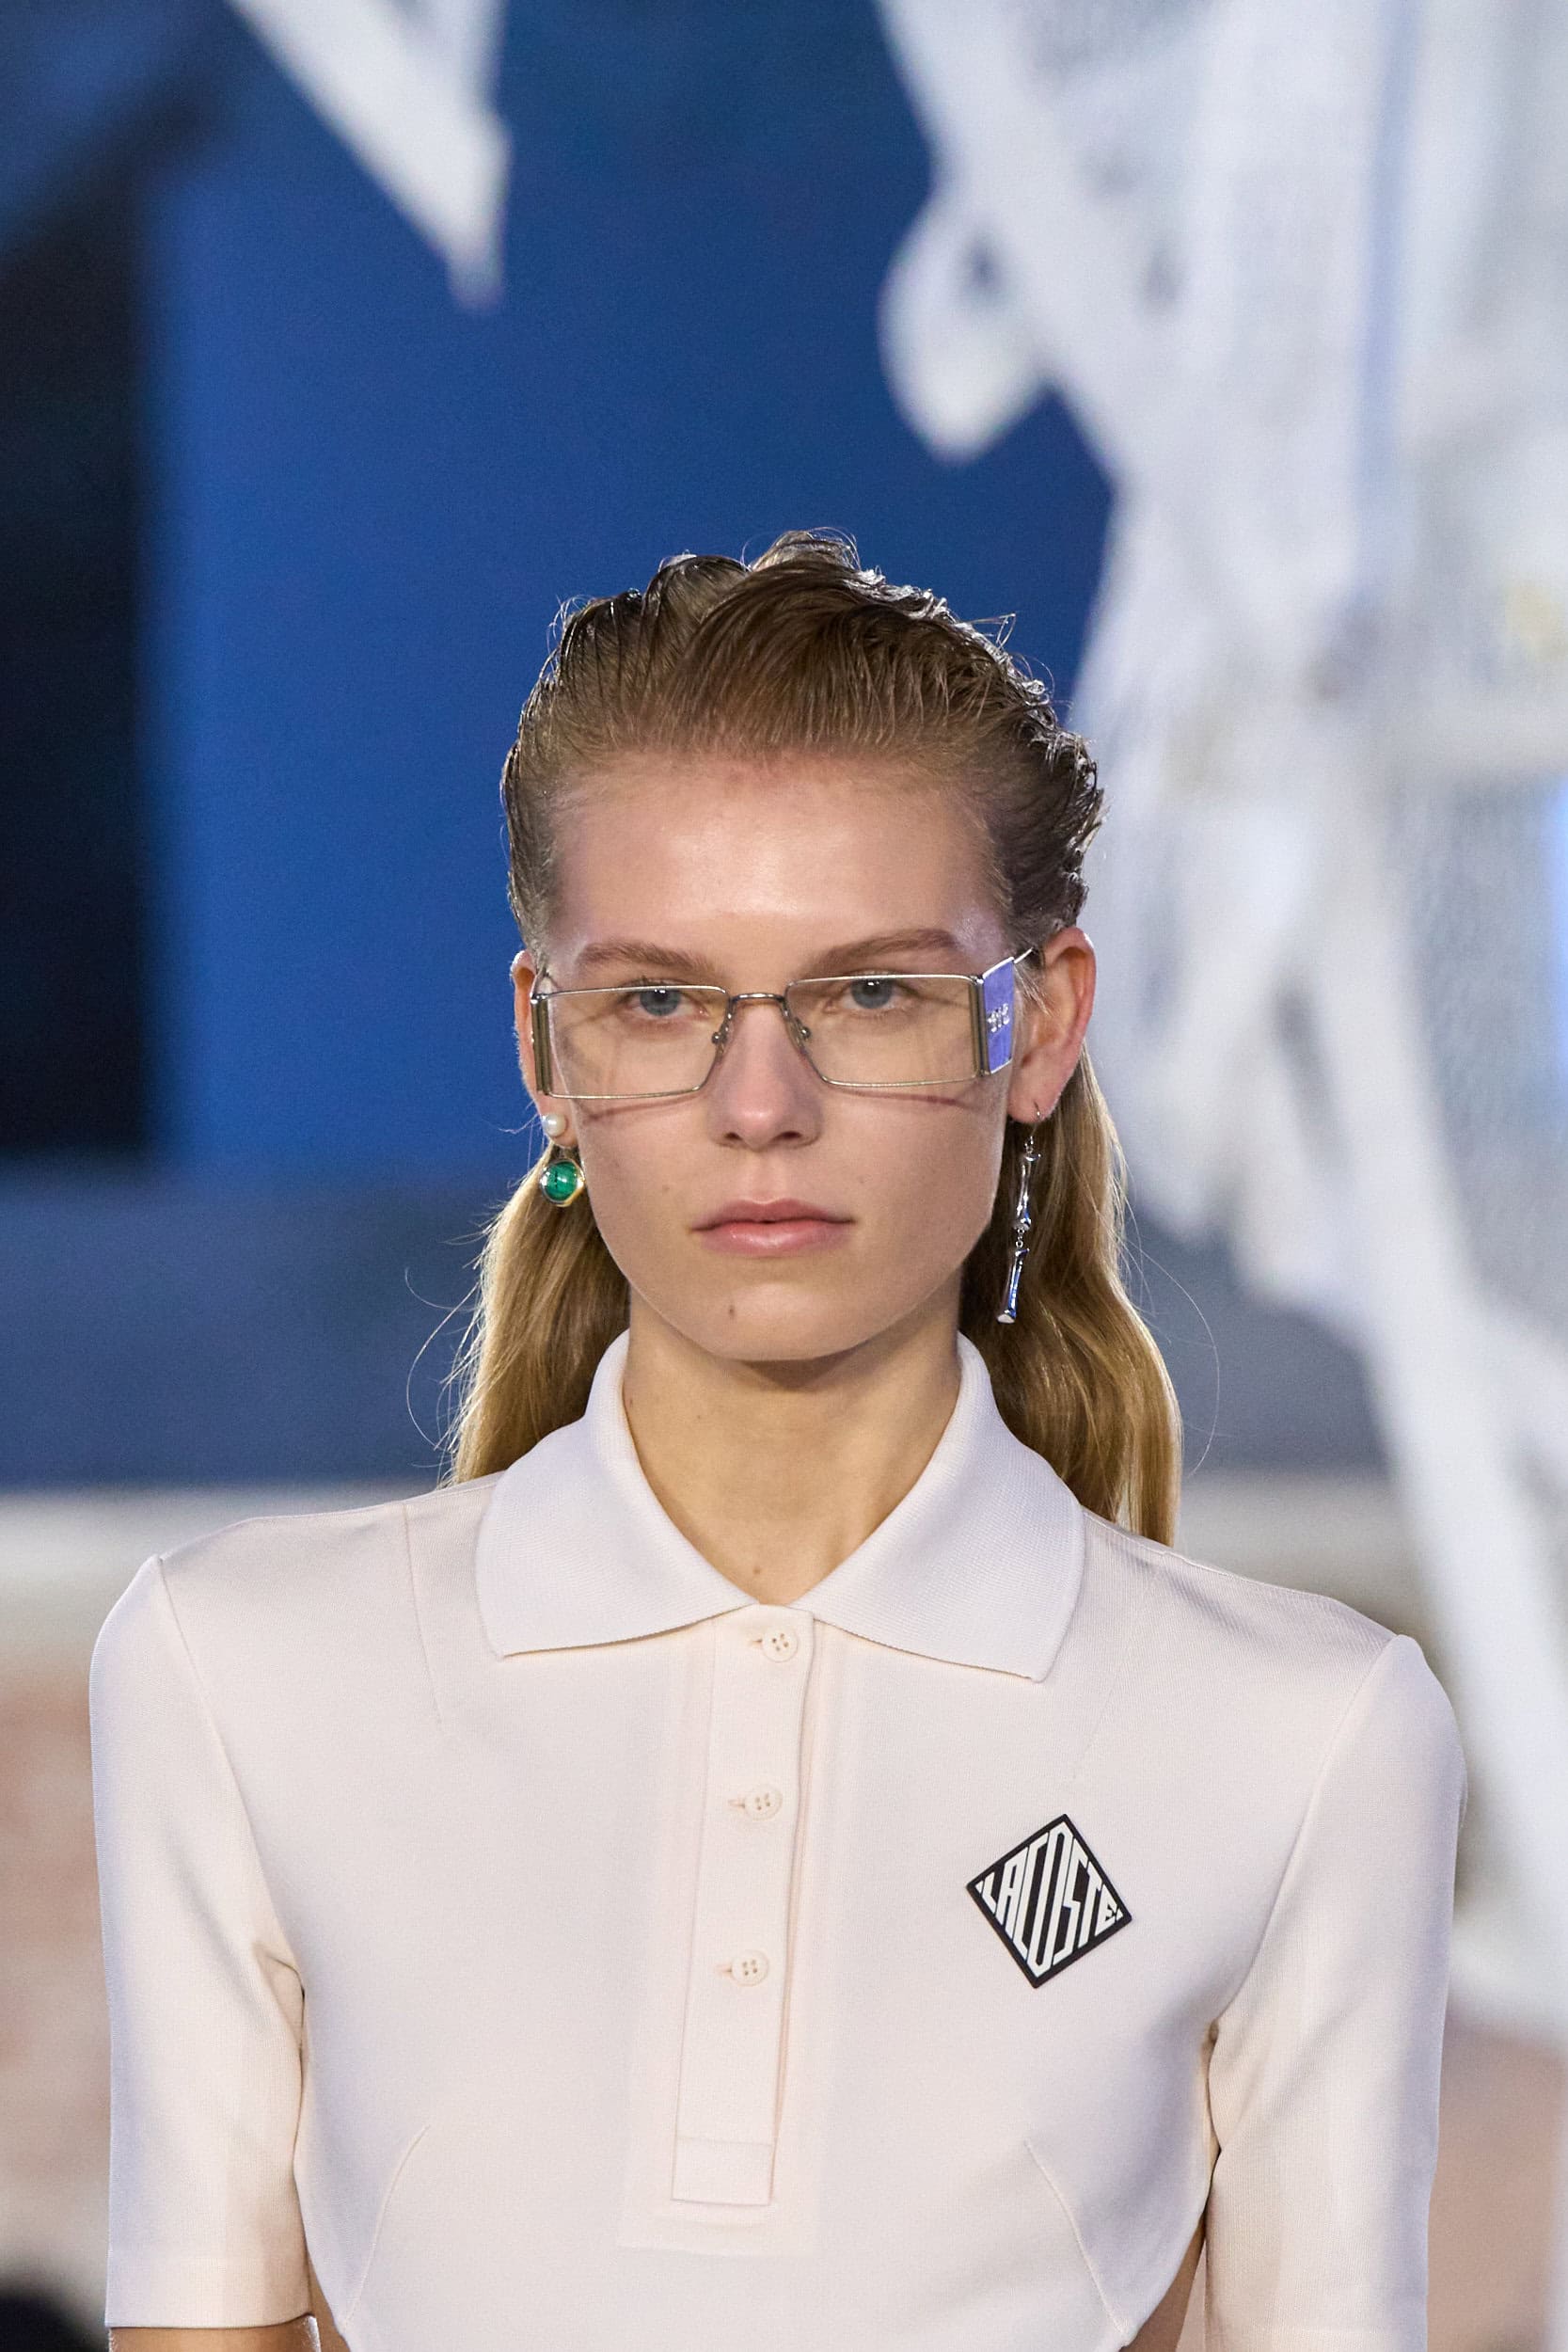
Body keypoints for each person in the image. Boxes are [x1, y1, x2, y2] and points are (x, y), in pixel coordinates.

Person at [90, 530, 1467, 2352]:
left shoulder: (1303, 1738)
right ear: (548, 1049)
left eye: (870, 993)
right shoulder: (239, 1674)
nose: (762, 1105)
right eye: (660, 999)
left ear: (1040, 1023)